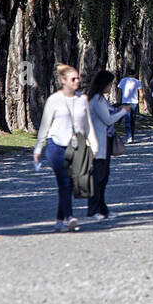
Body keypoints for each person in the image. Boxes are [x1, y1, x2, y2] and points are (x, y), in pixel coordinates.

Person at [32, 64, 88, 231]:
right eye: (73, 78)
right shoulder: (53, 100)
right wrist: (38, 148)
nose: (77, 81)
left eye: (78, 78)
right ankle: (70, 216)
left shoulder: (82, 100)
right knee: (64, 182)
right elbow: (44, 125)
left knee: (69, 183)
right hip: (55, 146)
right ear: (63, 81)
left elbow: (87, 124)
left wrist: (91, 143)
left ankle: (59, 219)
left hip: (75, 146)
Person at [85, 70, 128, 220]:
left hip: (105, 141)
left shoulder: (101, 99)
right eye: (109, 84)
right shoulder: (96, 100)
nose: (110, 87)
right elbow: (108, 120)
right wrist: (123, 112)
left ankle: (102, 208)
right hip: (98, 143)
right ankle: (93, 209)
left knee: (103, 177)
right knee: (98, 178)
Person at [117, 69, 142, 141]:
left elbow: (119, 91)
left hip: (125, 102)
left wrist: (119, 101)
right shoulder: (137, 81)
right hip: (134, 102)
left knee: (127, 120)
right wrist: (144, 102)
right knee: (132, 120)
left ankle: (129, 136)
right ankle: (132, 136)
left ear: (128, 74)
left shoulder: (123, 80)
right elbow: (141, 92)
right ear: (134, 74)